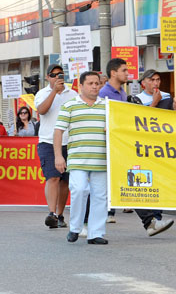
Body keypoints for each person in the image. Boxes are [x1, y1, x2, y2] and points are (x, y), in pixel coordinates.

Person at [54, 71, 109, 245]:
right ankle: (75, 228)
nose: (95, 86)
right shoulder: (70, 105)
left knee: (100, 196)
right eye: (91, 83)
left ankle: (96, 233)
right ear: (81, 86)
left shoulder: (108, 106)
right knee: (79, 190)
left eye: (97, 83)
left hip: (102, 160)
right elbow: (58, 132)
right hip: (77, 159)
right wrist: (58, 156)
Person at [130, 69, 176, 237]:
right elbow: (140, 120)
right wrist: (154, 104)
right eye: (152, 80)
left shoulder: (166, 97)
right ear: (144, 83)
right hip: (143, 146)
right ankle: (150, 217)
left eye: (158, 80)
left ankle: (156, 216)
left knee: (159, 180)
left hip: (161, 145)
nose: (156, 83)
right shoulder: (136, 99)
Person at [35, 63, 77, 229]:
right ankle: (51, 213)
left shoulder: (73, 94)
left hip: (69, 141)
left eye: (60, 74)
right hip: (48, 141)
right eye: (53, 75)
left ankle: (60, 214)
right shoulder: (42, 93)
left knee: (64, 181)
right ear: (47, 77)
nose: (58, 77)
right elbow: (42, 111)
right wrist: (54, 91)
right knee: (52, 177)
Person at [99, 58, 132, 223]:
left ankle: (110, 209)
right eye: (124, 70)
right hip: (107, 143)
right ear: (113, 73)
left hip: (120, 142)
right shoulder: (104, 94)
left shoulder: (123, 93)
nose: (127, 73)